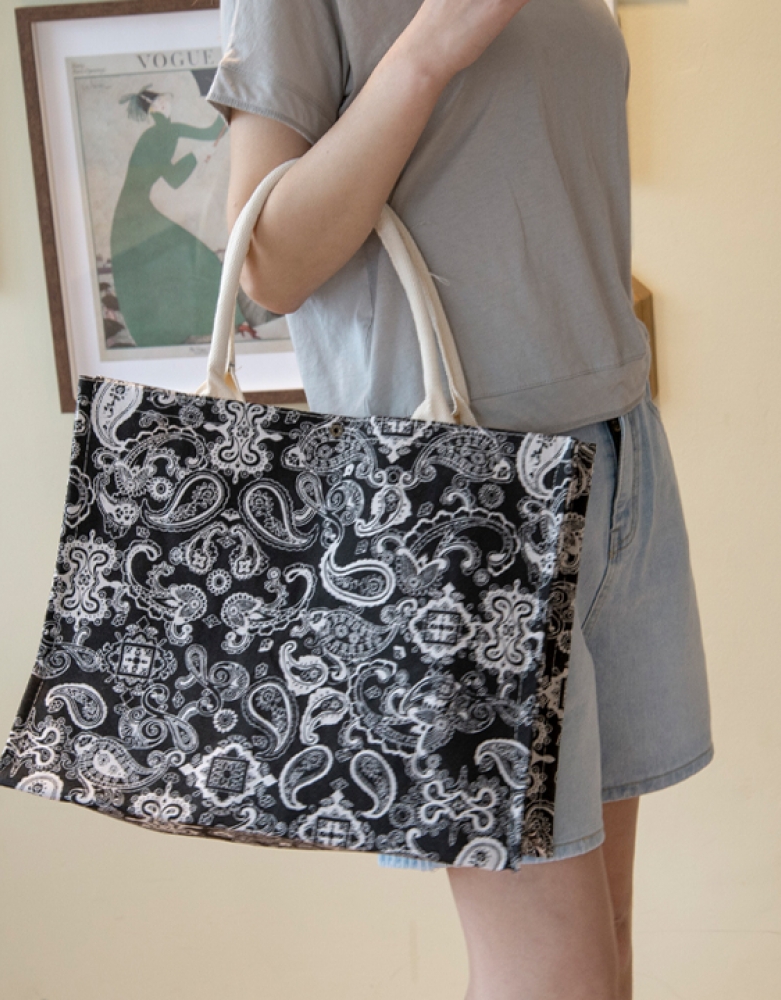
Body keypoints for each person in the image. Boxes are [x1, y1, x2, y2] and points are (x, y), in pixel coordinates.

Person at [206, 2, 714, 998]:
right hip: (453, 498)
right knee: (555, 972)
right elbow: (268, 263)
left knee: (604, 949)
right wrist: (431, 46)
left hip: (616, 450)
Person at [109, 85, 248, 346]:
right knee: (195, 259)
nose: (169, 102)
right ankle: (225, 323)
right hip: (136, 216)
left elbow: (207, 136)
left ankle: (222, 323)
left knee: (193, 259)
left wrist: (229, 102)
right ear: (157, 106)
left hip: (136, 211)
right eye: (165, 98)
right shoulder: (163, 132)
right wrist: (197, 155)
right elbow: (174, 177)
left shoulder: (163, 132)